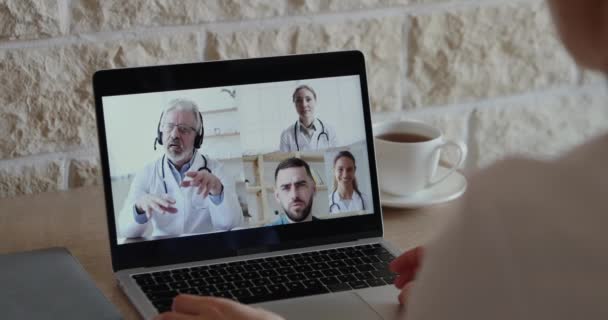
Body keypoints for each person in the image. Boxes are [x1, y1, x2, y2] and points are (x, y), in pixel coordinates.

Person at [156, 0, 608, 319]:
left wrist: (495, 259)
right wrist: (480, 272)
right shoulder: (525, 234)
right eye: (170, 129)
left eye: (186, 128)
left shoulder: (518, 218)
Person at [118, 99, 243, 238]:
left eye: (183, 129)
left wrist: (217, 191)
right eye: (169, 126)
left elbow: (231, 225)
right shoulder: (146, 174)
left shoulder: (218, 171)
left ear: (197, 137)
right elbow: (125, 230)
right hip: (164, 252)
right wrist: (139, 208)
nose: (174, 135)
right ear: (160, 131)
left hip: (206, 249)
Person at [278, 85, 338, 152]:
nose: (304, 104)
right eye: (299, 100)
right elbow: (285, 162)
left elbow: (336, 158)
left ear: (315, 101)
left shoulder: (330, 130)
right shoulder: (286, 135)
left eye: (308, 99)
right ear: (294, 104)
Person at [265, 157, 318, 226]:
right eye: (285, 187)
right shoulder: (264, 235)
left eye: (301, 185)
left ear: (313, 190)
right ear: (277, 196)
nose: (294, 195)